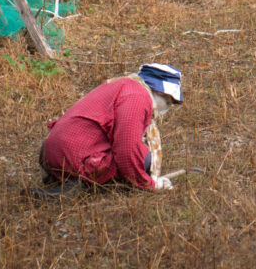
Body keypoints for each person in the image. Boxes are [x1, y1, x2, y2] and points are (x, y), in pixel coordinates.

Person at [33, 63, 183, 198]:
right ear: (159, 92)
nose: (167, 108)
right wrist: (149, 184)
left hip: (51, 153)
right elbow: (127, 150)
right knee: (145, 159)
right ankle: (81, 186)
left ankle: (69, 181)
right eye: (168, 102)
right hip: (75, 156)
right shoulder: (138, 97)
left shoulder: (123, 85)